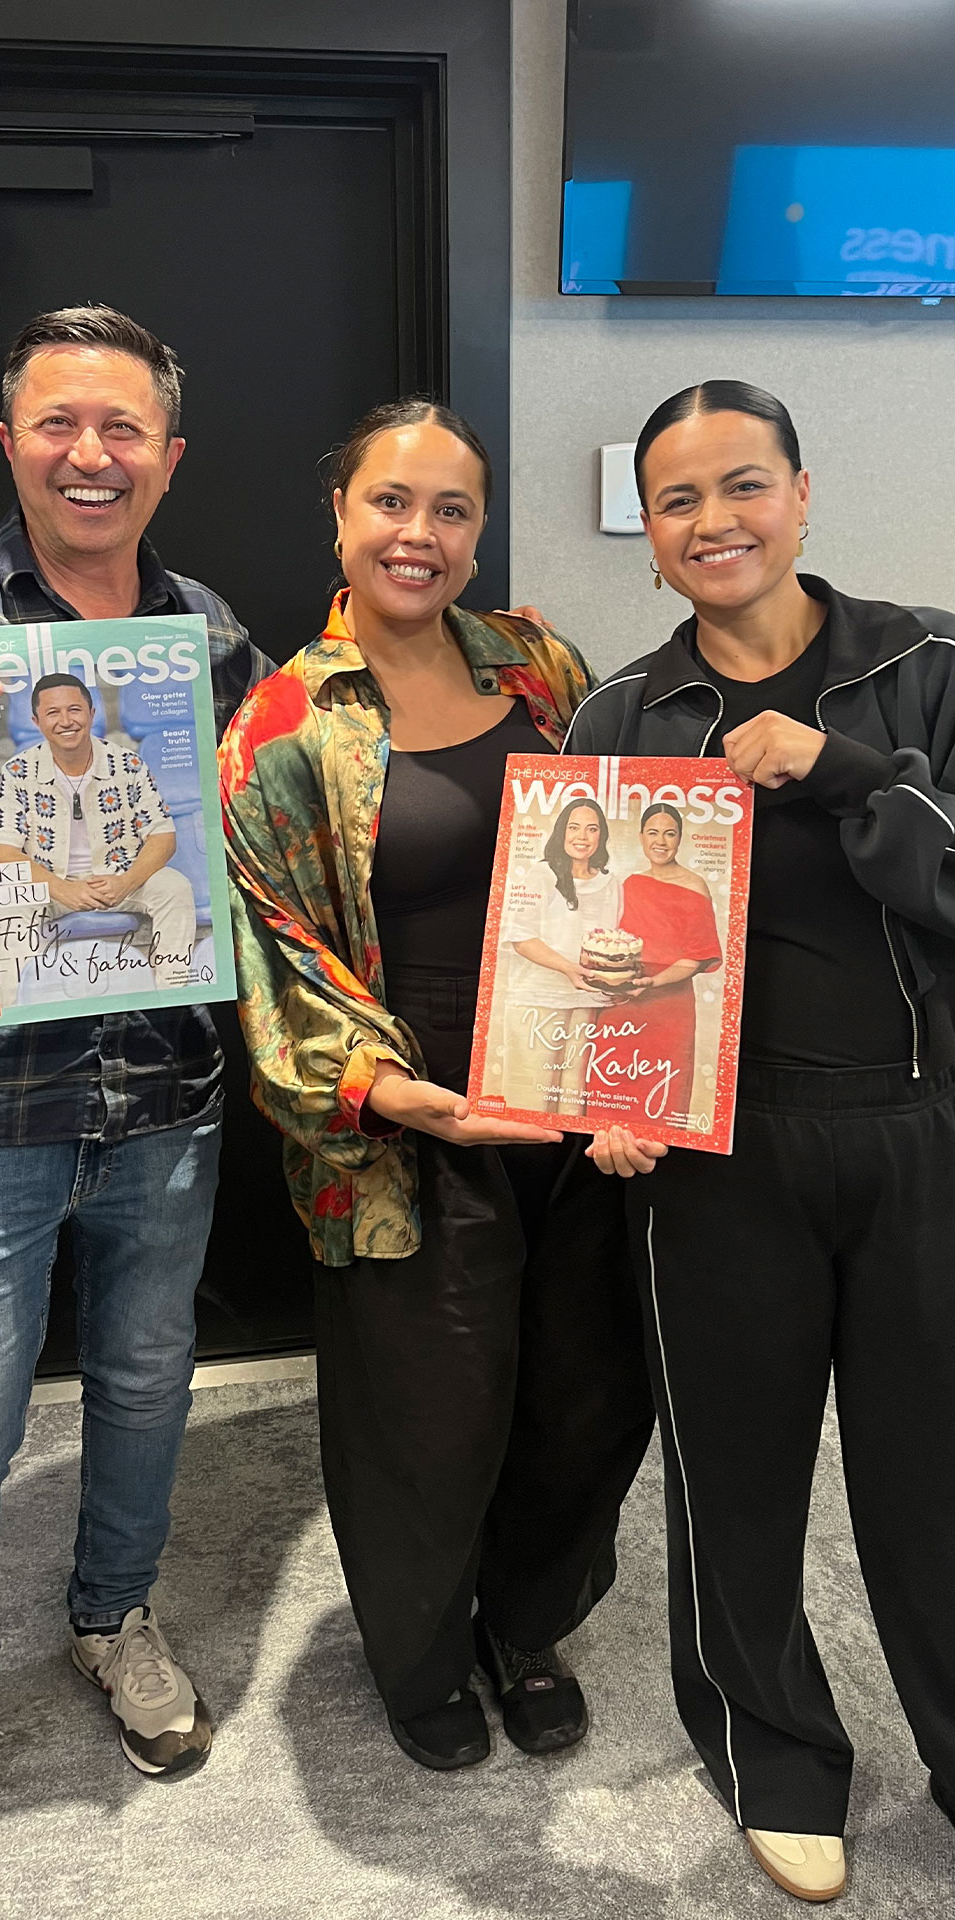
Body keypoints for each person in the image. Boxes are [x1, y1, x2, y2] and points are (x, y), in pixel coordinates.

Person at [0, 304, 273, 1902]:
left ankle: (113, 1617)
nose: (90, 455)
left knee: (150, 1384)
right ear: (11, 444)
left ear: (169, 461)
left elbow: (247, 852)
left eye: (123, 431)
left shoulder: (209, 633)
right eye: (59, 424)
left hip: (164, 1093)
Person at [221, 398, 653, 1773]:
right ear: (339, 520)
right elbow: (271, 955)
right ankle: (419, 1654)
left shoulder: (538, 665)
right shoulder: (286, 725)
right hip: (410, 1125)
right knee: (427, 1419)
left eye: (451, 508)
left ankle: (524, 1624)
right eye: (392, 504)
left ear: (478, 533)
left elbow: (625, 855)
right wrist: (395, 1095)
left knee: (583, 1390)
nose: (421, 533)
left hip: (574, 1095)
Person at [566, 379, 955, 1903]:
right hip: (715, 1164)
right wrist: (604, 1087)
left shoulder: (925, 664)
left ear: (801, 496)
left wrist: (845, 771)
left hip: (922, 1133)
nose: (713, 522)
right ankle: (776, 1755)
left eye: (742, 487)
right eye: (678, 501)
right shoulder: (623, 715)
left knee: (934, 1478)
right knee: (732, 1478)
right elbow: (576, 945)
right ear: (652, 538)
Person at [0, 672, 196, 991]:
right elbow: (3, 851)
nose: (65, 720)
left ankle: (175, 991)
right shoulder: (17, 772)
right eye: (52, 712)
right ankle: (21, 1006)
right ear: (36, 721)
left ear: (91, 714)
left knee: (175, 886)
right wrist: (62, 888)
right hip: (52, 883)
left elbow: (163, 834)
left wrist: (125, 882)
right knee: (8, 905)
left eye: (74, 709)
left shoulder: (128, 764)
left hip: (117, 876)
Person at [503, 796, 623, 1112]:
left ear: (602, 836)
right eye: (574, 827)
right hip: (539, 998)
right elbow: (520, 938)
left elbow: (609, 939)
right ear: (561, 831)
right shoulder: (540, 874)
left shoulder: (611, 883)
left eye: (591, 829)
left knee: (573, 1098)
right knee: (535, 1099)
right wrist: (568, 968)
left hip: (587, 997)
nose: (582, 837)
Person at [611, 802, 721, 1114]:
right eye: (653, 833)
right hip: (622, 1005)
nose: (661, 841)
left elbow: (696, 958)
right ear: (641, 836)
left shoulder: (695, 885)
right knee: (611, 1093)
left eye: (669, 833)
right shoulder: (630, 883)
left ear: (679, 838)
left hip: (670, 1008)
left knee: (664, 1094)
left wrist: (653, 981)